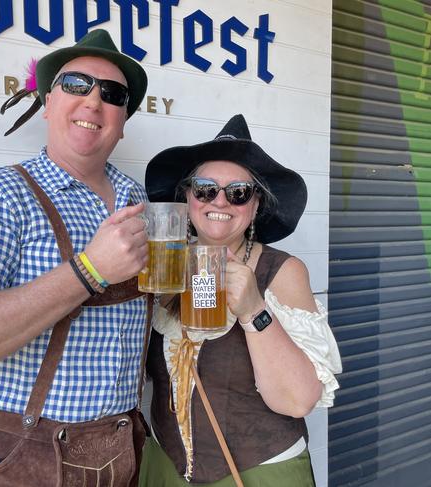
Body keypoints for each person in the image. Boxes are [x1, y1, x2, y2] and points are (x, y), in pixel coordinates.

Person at [0, 29, 151, 487]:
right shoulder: (0, 194)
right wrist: (89, 270)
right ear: (47, 103)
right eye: (75, 85)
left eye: (112, 94)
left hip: (124, 446)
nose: (93, 101)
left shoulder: (136, 198)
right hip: (26, 455)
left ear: (123, 119)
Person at [139, 114, 342, 486]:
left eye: (238, 192)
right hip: (164, 467)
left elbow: (299, 401)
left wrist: (253, 310)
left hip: (258, 473)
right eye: (204, 189)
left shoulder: (281, 271)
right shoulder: (163, 265)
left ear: (255, 206)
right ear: (186, 197)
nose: (220, 201)